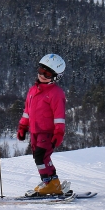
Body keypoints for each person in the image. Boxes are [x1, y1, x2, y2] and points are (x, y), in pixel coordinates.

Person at [17, 54, 67, 196]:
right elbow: (27, 111)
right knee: (41, 157)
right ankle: (52, 182)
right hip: (34, 131)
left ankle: (48, 183)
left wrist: (58, 133)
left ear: (56, 76)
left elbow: (59, 116)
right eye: (40, 71)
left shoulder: (56, 93)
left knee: (40, 156)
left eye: (47, 73)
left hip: (47, 131)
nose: (42, 75)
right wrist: (22, 127)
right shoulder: (33, 90)